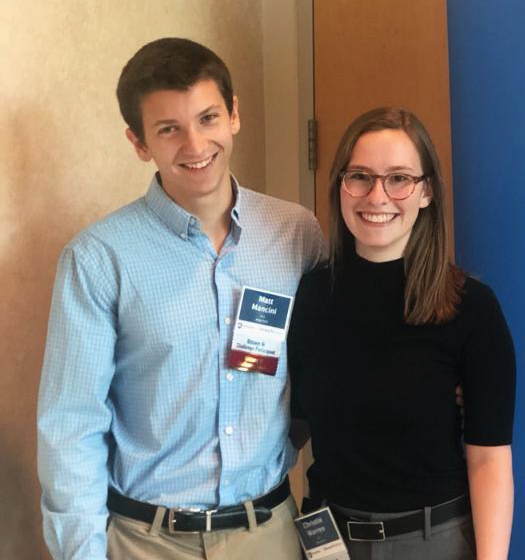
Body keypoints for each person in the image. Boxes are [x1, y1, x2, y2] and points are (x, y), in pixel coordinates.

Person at [37, 38, 325, 560]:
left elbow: (331, 360)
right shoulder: (98, 258)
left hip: (270, 533)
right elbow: (71, 427)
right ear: (139, 142)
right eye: (169, 129)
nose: (195, 145)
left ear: (234, 116)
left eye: (208, 118)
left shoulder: (296, 233)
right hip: (146, 541)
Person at [287, 107, 516, 560]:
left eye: (399, 178)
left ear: (426, 191)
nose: (377, 196)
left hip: (433, 543)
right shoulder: (309, 295)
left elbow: (489, 459)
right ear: (340, 186)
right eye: (360, 176)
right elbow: (290, 424)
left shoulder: (471, 306)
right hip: (326, 539)